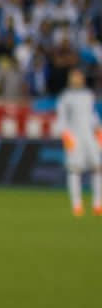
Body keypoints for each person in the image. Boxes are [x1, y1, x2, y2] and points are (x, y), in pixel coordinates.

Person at [56, 68, 102, 217]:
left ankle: (98, 204)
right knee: (75, 170)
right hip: (75, 137)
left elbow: (92, 115)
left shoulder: (88, 95)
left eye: (80, 77)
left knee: (97, 168)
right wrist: (66, 135)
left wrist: (99, 130)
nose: (78, 79)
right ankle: (77, 205)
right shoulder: (66, 97)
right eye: (75, 77)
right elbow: (62, 118)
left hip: (89, 136)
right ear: (70, 79)